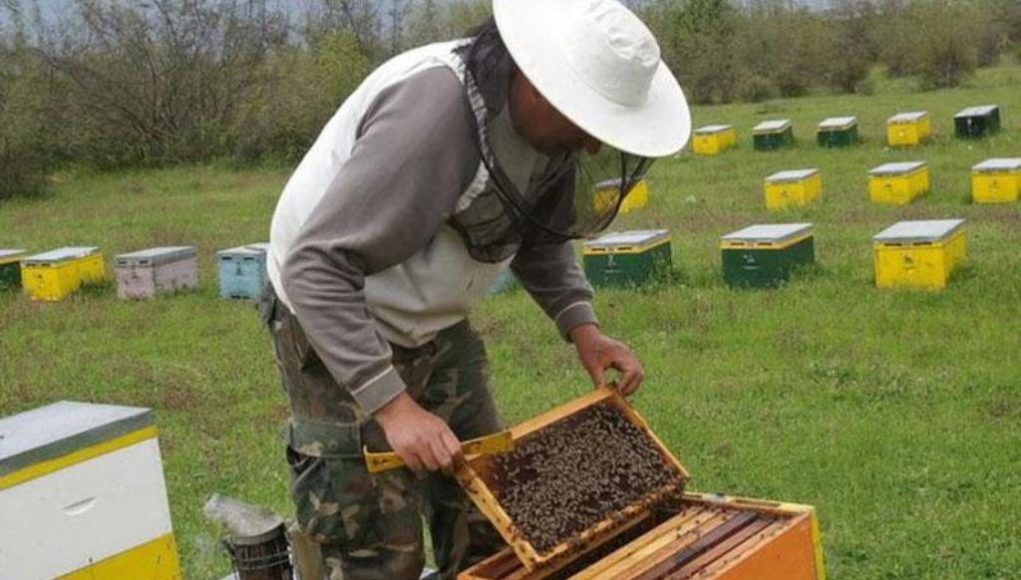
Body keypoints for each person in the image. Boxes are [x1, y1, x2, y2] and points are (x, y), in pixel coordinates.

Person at [260, 0, 690, 577]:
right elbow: (315, 267)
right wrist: (394, 405)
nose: (592, 147)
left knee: (488, 511)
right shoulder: (433, 116)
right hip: (335, 311)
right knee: (373, 548)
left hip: (433, 322)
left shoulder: (547, 134)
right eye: (588, 125)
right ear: (539, 87)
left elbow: (540, 233)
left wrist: (583, 329)